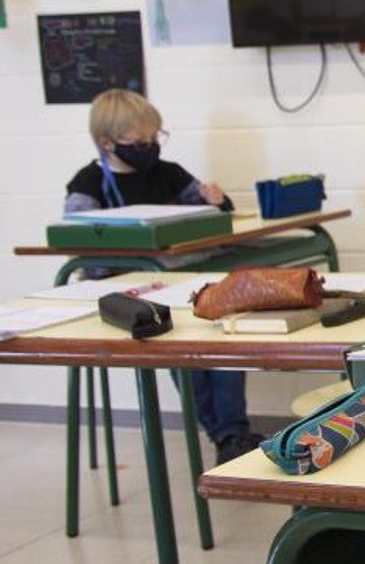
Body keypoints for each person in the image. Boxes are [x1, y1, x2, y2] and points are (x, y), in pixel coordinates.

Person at [65, 88, 264, 464]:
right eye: (138, 142)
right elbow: (79, 239)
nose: (149, 147)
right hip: (135, 292)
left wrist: (215, 198)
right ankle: (229, 435)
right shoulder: (87, 185)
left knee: (224, 338)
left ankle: (231, 434)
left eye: (154, 138)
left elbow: (214, 213)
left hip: (184, 281)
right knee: (184, 347)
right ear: (107, 143)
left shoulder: (168, 173)